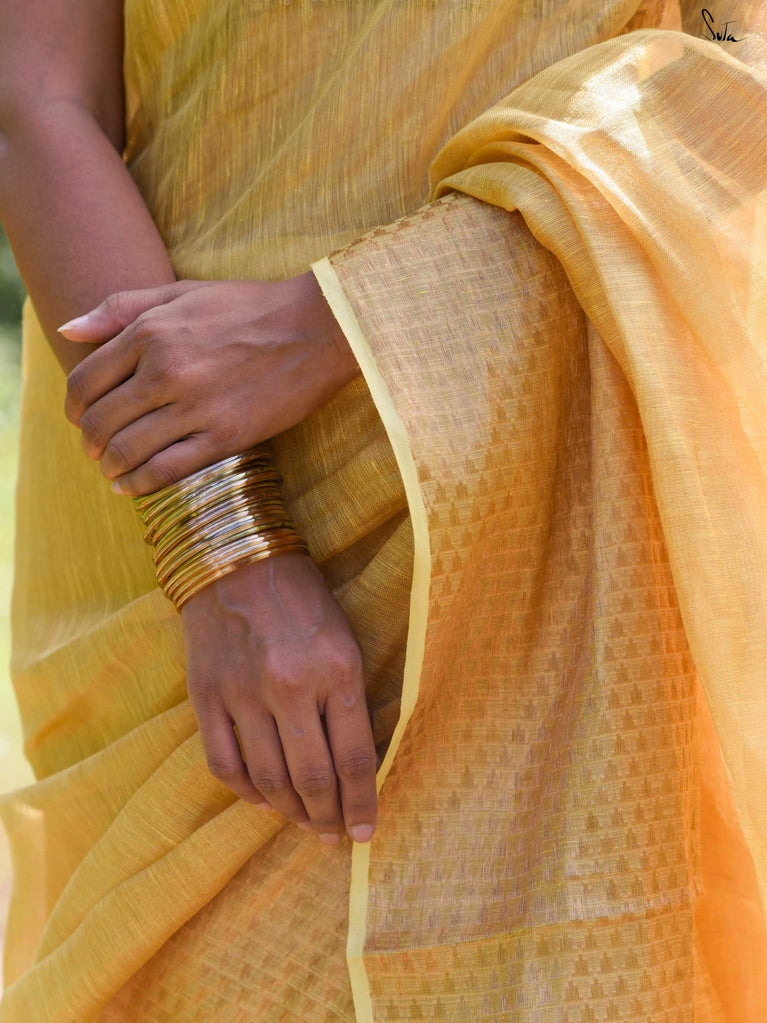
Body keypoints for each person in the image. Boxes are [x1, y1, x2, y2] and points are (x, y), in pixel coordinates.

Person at [0, 0, 765, 1018]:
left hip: (579, 507)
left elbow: (734, 70)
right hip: (186, 473)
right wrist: (223, 542)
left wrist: (333, 321)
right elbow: (36, 96)